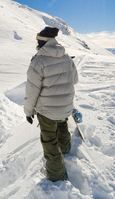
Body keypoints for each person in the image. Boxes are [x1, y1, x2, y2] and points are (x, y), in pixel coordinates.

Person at [24, 26, 79, 182]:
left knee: (49, 142)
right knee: (62, 126)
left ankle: (56, 175)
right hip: (66, 105)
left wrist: (28, 112)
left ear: (41, 44)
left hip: (47, 111)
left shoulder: (38, 61)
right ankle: (66, 149)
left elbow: (31, 91)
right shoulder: (67, 57)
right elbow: (75, 80)